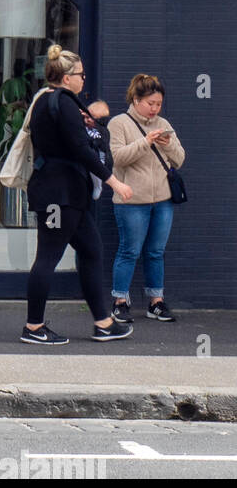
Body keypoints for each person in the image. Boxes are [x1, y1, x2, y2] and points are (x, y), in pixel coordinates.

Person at [22, 45, 135, 346]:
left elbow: (63, 138)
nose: (84, 80)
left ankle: (104, 322)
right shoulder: (65, 104)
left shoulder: (44, 102)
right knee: (48, 256)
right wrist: (114, 182)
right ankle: (34, 327)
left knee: (92, 250)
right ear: (66, 76)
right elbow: (80, 149)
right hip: (60, 195)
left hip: (67, 194)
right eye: (81, 75)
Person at [108, 74, 186, 323]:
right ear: (136, 99)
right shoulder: (119, 123)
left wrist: (168, 143)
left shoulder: (163, 122)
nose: (155, 109)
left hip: (162, 200)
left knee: (156, 252)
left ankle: (156, 302)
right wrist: (145, 141)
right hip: (131, 200)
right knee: (129, 251)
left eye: (159, 103)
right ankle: (120, 301)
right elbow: (117, 158)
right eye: (150, 103)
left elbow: (180, 159)